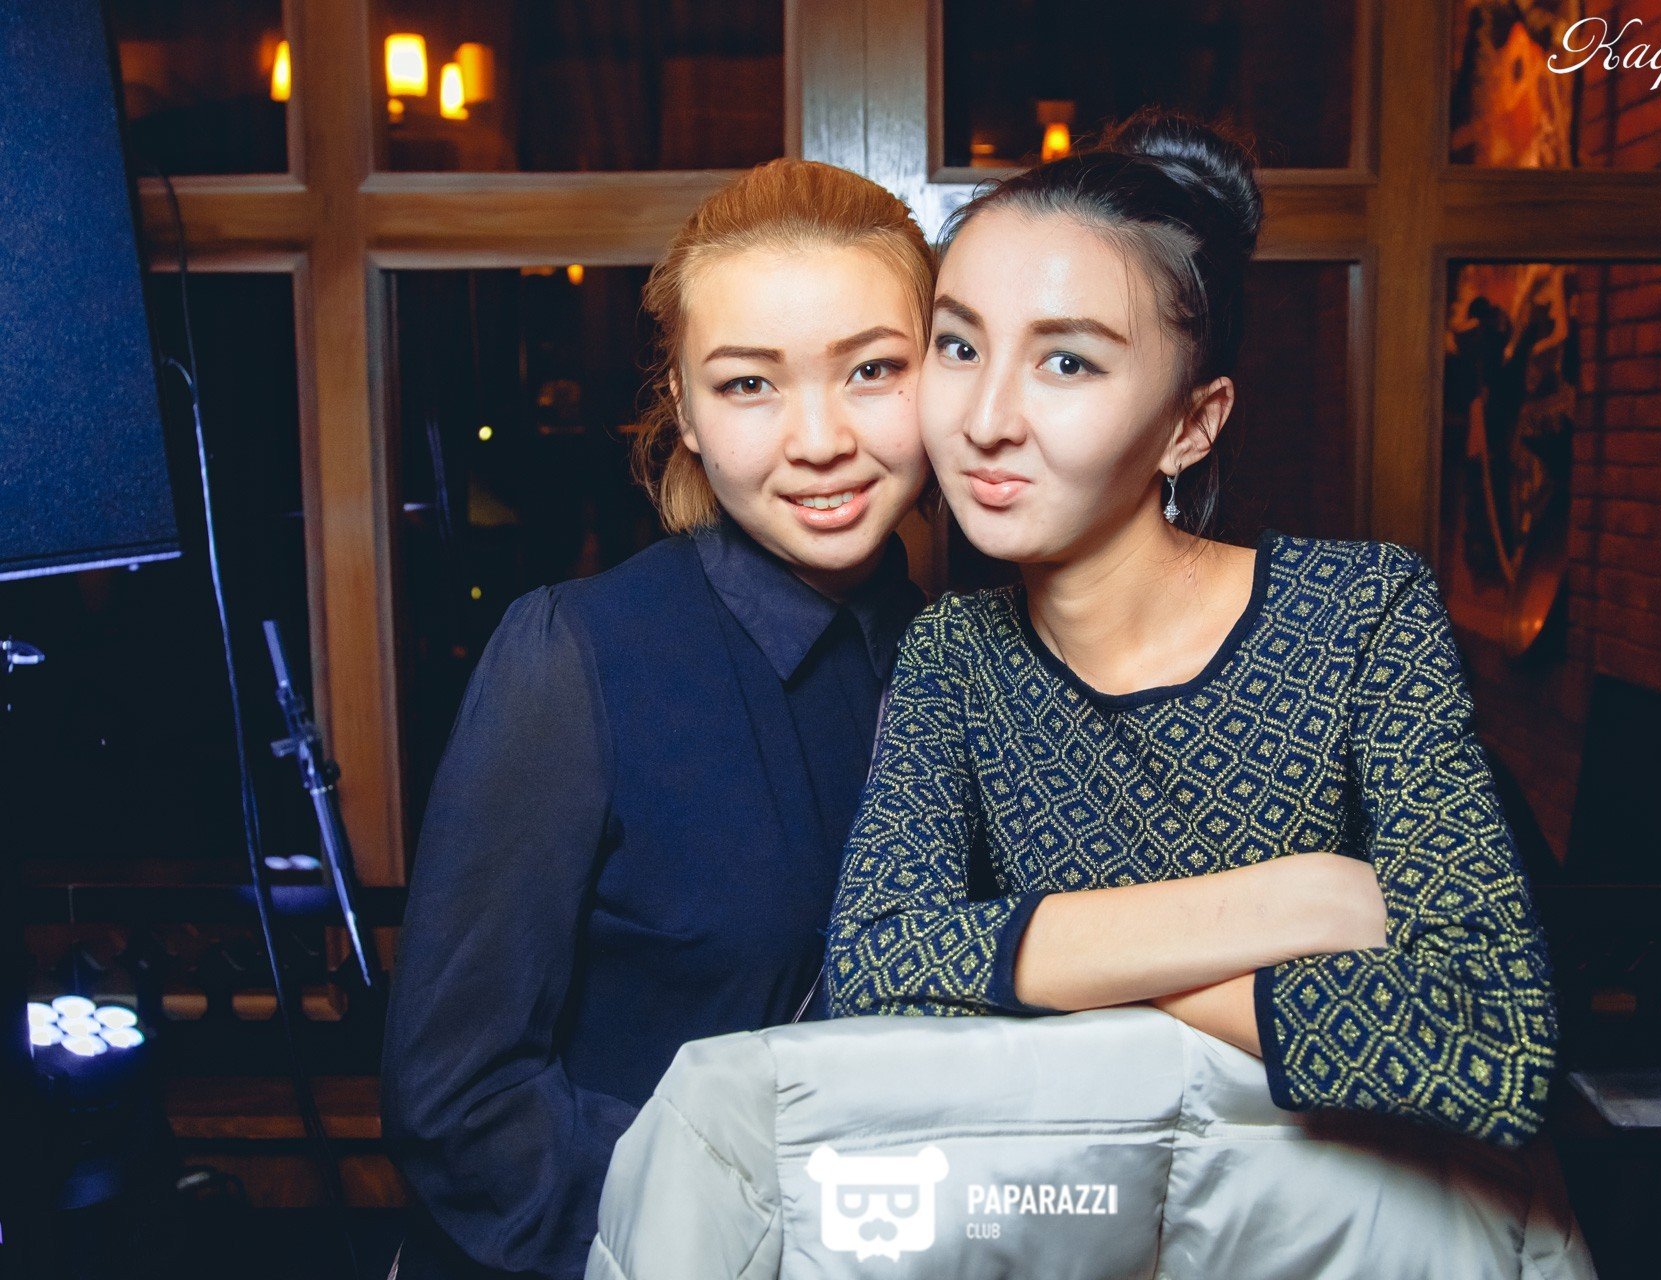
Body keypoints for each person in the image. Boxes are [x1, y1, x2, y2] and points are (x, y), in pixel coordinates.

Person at [825, 109, 1559, 1148]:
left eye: (1067, 362)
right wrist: (1293, 902)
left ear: (1190, 424)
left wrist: (1062, 975)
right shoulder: (955, 654)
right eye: (959, 344)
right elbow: (871, 969)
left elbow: (1494, 1042)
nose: (984, 419)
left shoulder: (1359, 614)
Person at [382, 157, 937, 1279]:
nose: (819, 439)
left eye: (872, 369)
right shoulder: (576, 658)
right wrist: (757, 1232)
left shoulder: (965, 661)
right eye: (750, 384)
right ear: (682, 407)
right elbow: (459, 1103)